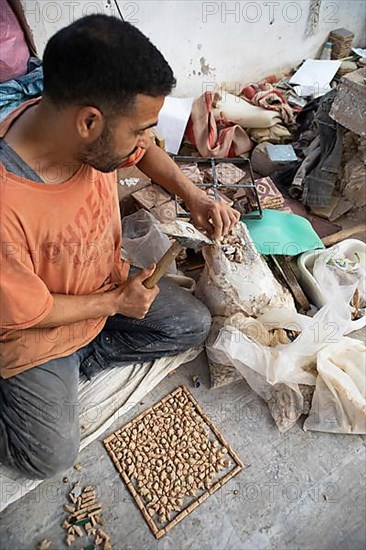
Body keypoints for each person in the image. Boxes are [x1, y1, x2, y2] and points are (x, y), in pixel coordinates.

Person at [0, 15, 239, 479]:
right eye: (138, 127)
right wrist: (114, 302)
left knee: (192, 324)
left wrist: (194, 196)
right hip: (35, 329)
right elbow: (32, 311)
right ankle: (52, 373)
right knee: (49, 459)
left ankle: (81, 357)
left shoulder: (75, 130)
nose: (144, 139)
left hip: (102, 294)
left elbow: (143, 152)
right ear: (89, 121)